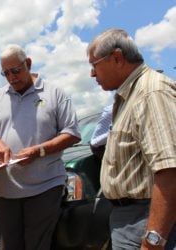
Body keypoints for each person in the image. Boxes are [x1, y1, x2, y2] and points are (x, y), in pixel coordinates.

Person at [0, 44, 81, 250]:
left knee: (37, 245)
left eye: (16, 71)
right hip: (7, 189)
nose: (11, 78)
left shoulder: (55, 94)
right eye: (6, 73)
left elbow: (71, 133)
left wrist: (39, 151)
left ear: (28, 63)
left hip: (44, 186)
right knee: (10, 245)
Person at [87, 28, 176, 249]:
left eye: (94, 64)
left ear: (116, 58)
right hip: (130, 219)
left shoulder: (151, 93)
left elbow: (170, 170)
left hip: (144, 219)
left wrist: (154, 240)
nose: (92, 74)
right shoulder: (130, 96)